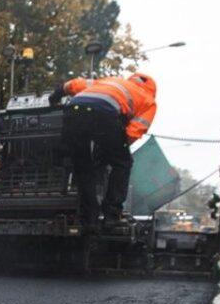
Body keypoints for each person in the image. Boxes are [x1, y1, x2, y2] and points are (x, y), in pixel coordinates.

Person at [49, 72, 157, 226]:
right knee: (123, 163)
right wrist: (112, 150)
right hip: (104, 115)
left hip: (73, 112)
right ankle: (112, 214)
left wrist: (55, 96)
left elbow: (73, 84)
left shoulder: (109, 81)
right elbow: (133, 132)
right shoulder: (149, 101)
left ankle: (88, 216)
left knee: (83, 167)